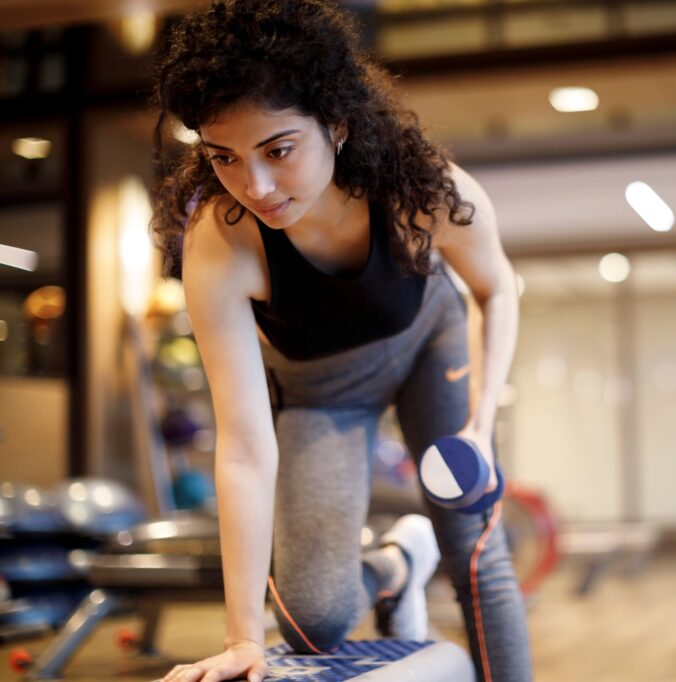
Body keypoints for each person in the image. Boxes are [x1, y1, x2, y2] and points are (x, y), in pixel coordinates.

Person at [149, 1, 532, 680]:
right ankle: (395, 565)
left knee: (474, 546)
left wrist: (479, 421)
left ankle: (439, 554)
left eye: (279, 150)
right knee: (313, 621)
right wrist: (244, 640)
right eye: (224, 158)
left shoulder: (426, 191)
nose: (255, 185)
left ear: (337, 124)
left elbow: (499, 288)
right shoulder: (220, 244)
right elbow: (242, 444)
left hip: (426, 347)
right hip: (321, 394)